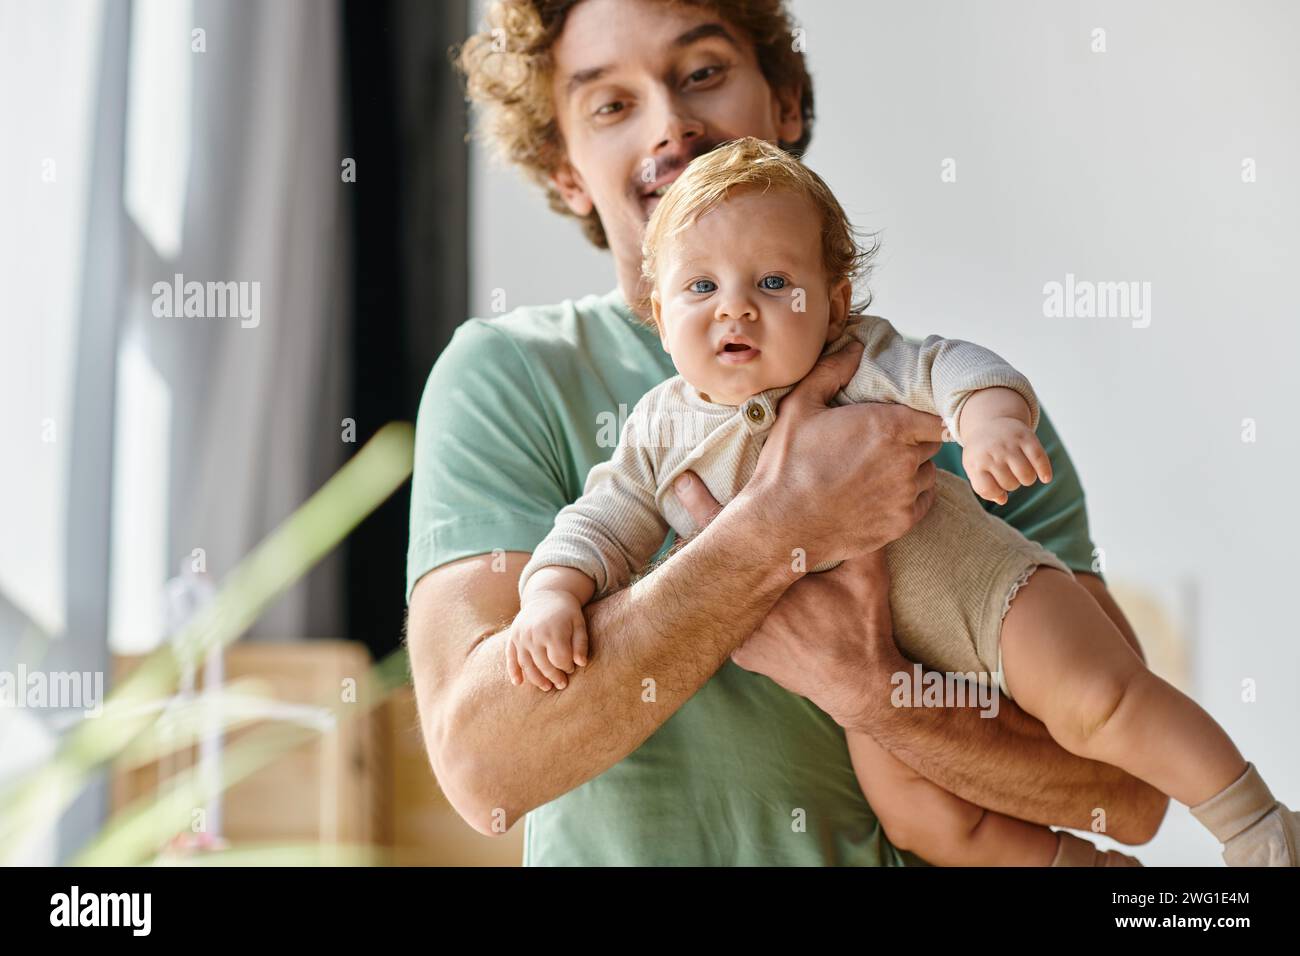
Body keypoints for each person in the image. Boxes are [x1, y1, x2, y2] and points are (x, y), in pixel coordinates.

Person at [406, 0, 1170, 865]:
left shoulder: (962, 410)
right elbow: (482, 769)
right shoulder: (510, 378)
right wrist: (772, 533)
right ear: (566, 170)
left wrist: (873, 689)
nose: (672, 125)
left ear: (788, 104)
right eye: (610, 106)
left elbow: (1130, 796)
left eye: (702, 73)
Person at [507, 136, 1299, 867]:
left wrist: (988, 419)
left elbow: (950, 365)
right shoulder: (658, 428)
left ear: (834, 298)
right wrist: (552, 591)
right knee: (922, 820)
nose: (735, 308)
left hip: (986, 595)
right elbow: (601, 521)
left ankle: (1254, 822)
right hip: (885, 668)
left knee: (1098, 701)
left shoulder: (856, 360)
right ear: (657, 311)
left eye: (774, 283)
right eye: (702, 286)